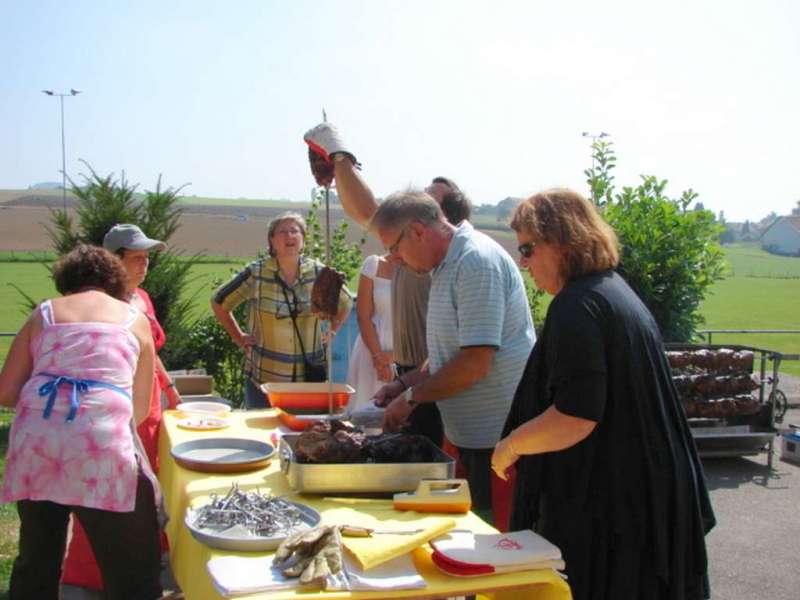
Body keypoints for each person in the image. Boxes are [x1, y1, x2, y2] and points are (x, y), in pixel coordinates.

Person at [491, 189, 715, 600]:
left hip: (617, 508)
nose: (523, 263)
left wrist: (510, 446)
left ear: (561, 240)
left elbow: (576, 415)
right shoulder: (613, 291)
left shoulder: (578, 305)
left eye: (528, 249)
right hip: (642, 494)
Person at [305, 121, 535, 522]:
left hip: (499, 441)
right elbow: (448, 354)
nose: (392, 260)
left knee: (495, 540)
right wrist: (404, 383)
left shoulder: (474, 262)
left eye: (394, 248)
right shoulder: (443, 266)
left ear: (417, 231)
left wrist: (411, 398)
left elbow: (476, 362)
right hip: (469, 436)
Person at [0, 244, 163, 599]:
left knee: (38, 558)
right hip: (99, 438)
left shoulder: (44, 313)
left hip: (37, 440)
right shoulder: (132, 317)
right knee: (133, 566)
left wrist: (53, 401)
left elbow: (6, 390)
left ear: (67, 282)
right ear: (114, 280)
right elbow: (140, 406)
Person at [62, 223, 180, 591]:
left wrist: (171, 388)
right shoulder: (100, 306)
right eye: (136, 258)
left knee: (147, 488)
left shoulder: (141, 298)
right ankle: (94, 572)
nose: (144, 265)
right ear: (113, 260)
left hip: (151, 403)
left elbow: (151, 350)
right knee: (106, 487)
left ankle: (150, 561)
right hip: (116, 407)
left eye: (147, 258)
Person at [211, 212, 352, 409]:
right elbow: (219, 302)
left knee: (307, 434)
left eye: (295, 231)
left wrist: (333, 330)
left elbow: (346, 303)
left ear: (303, 239)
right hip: (265, 380)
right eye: (282, 232)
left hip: (308, 380)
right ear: (271, 240)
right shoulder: (256, 273)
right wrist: (238, 337)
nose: (289, 236)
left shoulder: (320, 273)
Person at [346, 254, 397, 410]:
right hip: (371, 348)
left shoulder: (422, 265)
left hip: (406, 351)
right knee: (364, 415)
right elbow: (363, 316)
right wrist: (379, 358)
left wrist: (395, 356)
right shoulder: (373, 264)